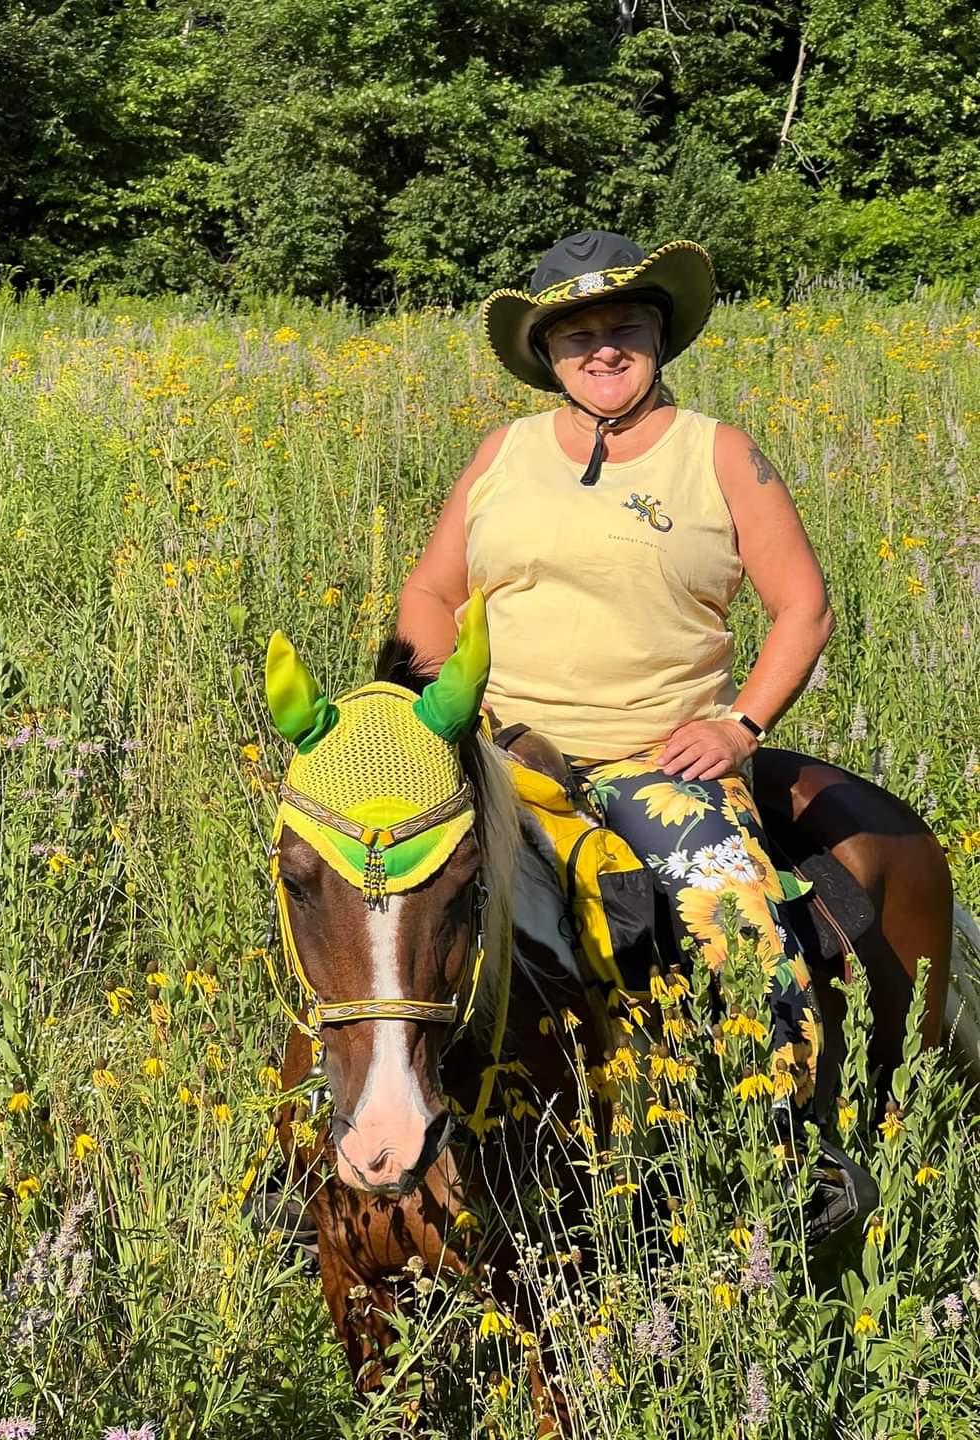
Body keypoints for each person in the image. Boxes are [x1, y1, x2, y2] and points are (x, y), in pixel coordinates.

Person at [396, 231, 837, 1142]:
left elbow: (803, 607)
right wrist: (442, 712)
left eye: (625, 326)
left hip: (659, 760)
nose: (603, 349)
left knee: (740, 926)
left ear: (660, 336)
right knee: (371, 890)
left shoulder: (719, 454)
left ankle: (795, 1148)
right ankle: (340, 1128)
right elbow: (432, 594)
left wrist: (740, 727)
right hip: (504, 753)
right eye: (577, 334)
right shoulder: (503, 452)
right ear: (548, 355)